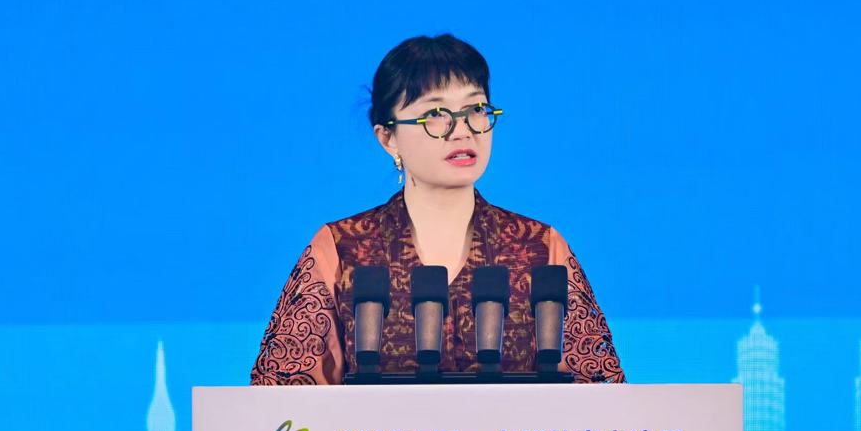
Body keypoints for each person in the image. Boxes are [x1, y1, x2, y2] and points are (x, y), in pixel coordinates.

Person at [250, 34, 625, 385]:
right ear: (388, 137)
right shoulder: (342, 248)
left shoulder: (539, 247)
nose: (462, 130)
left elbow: (600, 392)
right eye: (435, 114)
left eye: (476, 109)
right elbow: (280, 395)